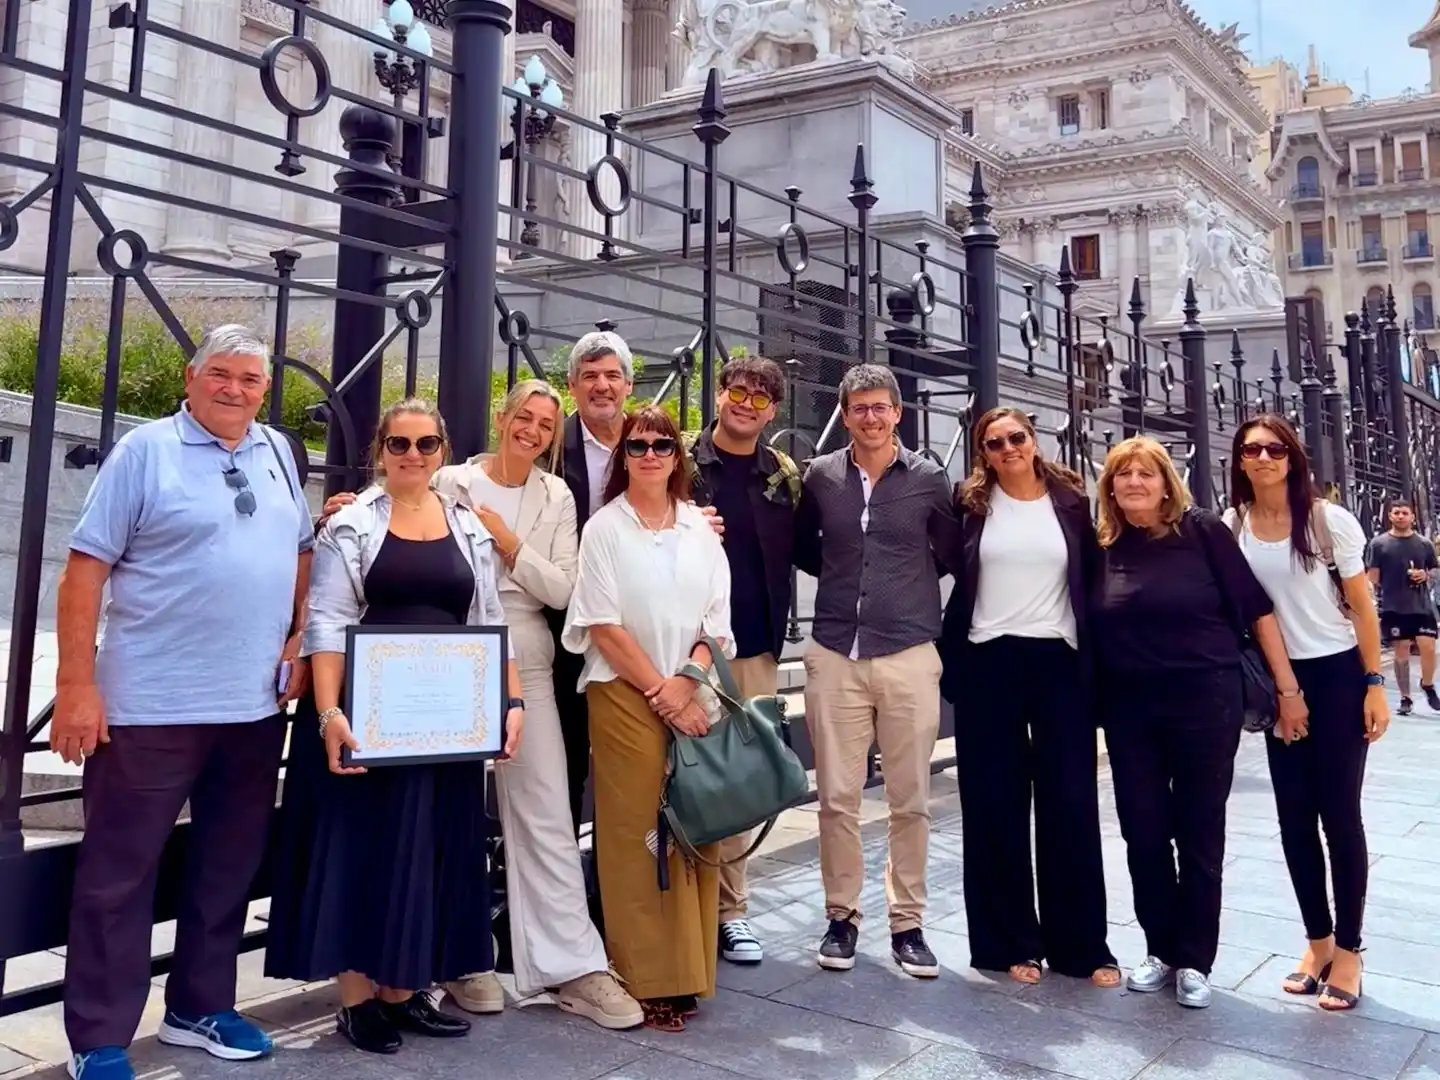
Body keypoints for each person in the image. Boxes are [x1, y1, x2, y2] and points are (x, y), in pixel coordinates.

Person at [53, 325, 312, 1080]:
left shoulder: (275, 453)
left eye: (251, 380)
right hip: (149, 706)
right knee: (118, 874)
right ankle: (98, 1036)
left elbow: (299, 548)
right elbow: (84, 569)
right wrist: (75, 685)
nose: (235, 390)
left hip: (253, 708)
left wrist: (297, 634)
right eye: (221, 375)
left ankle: (199, 1008)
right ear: (191, 377)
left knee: (226, 867)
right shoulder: (146, 452)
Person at [263, 398, 524, 1054]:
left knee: (433, 846)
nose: (413, 456)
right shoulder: (350, 525)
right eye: (400, 444)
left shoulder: (467, 524)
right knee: (364, 849)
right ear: (380, 450)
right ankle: (358, 1001)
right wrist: (328, 714)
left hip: (447, 725)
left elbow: (490, 622)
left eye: (427, 444)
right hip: (369, 717)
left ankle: (403, 992)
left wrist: (511, 703)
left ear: (443, 451)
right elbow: (325, 622)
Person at [431, 381, 642, 1028]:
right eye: (522, 416)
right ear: (501, 417)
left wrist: (509, 546)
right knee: (450, 809)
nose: (531, 429)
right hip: (452, 648)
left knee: (547, 807)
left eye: (545, 424)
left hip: (528, 652)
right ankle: (459, 957)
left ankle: (570, 966)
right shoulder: (450, 482)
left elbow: (565, 590)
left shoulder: (557, 494)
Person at [1091, 436, 1293, 1009]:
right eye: (1122, 474)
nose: (1134, 483)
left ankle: (1196, 959)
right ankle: (1160, 947)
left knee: (1200, 833)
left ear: (1165, 483)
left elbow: (1255, 608)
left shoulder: (1203, 531)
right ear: (1110, 486)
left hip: (1205, 704)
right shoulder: (1105, 543)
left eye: (1145, 474)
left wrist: (1288, 690)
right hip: (1131, 713)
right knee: (1144, 833)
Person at [562, 404, 733, 1033]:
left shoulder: (699, 529)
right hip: (624, 694)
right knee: (638, 837)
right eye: (638, 446)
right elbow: (602, 623)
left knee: (692, 829)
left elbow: (717, 620)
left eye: (662, 444)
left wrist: (687, 683)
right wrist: (661, 691)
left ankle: (689, 971)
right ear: (623, 457)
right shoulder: (605, 528)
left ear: (677, 455)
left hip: (696, 693)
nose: (651, 454)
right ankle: (643, 976)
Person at [936, 407, 1118, 990]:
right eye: (995, 442)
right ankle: (1007, 941)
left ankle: (1081, 945)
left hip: (1060, 659)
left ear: (1034, 441)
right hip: (989, 658)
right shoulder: (970, 507)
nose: (1008, 448)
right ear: (982, 452)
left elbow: (1095, 572)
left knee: (1070, 801)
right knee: (995, 805)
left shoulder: (1069, 498)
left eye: (1018, 437)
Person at [793, 363, 961, 979]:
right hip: (837, 649)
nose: (870, 417)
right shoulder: (821, 477)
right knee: (836, 797)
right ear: (845, 413)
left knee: (909, 797)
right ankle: (842, 917)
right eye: (859, 407)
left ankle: (907, 923)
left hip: (907, 651)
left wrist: (899, 596)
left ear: (897, 413)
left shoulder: (927, 478)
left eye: (880, 407)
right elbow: (806, 548)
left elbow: (948, 550)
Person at [1224, 414, 1389, 1013]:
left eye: (1273, 448)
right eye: (1252, 450)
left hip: (1337, 675)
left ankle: (1350, 950)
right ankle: (1316, 943)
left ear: (1291, 457)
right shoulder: (1234, 525)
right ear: (1240, 461)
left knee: (1339, 815)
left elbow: (1363, 611)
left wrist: (1374, 683)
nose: (1263, 458)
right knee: (1294, 818)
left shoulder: (1327, 520)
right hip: (1277, 683)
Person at [682, 354, 801, 967]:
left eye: (760, 398)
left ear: (773, 410)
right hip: (677, 646)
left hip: (751, 647)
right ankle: (677, 908)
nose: (747, 404)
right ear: (719, 393)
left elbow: (816, 548)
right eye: (738, 391)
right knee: (673, 776)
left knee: (733, 782)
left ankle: (730, 911)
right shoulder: (672, 454)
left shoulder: (782, 474)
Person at [1366, 499, 1439, 715]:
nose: (1400, 516)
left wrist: (1425, 575)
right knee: (1401, 651)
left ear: (1412, 517)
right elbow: (1373, 576)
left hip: (1422, 605)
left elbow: (1435, 570)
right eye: (1396, 512)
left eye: (1404, 513)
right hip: (1393, 606)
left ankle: (1427, 685)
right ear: (1389, 516)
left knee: (1428, 647)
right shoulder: (1378, 544)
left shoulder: (1424, 544)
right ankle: (1405, 697)